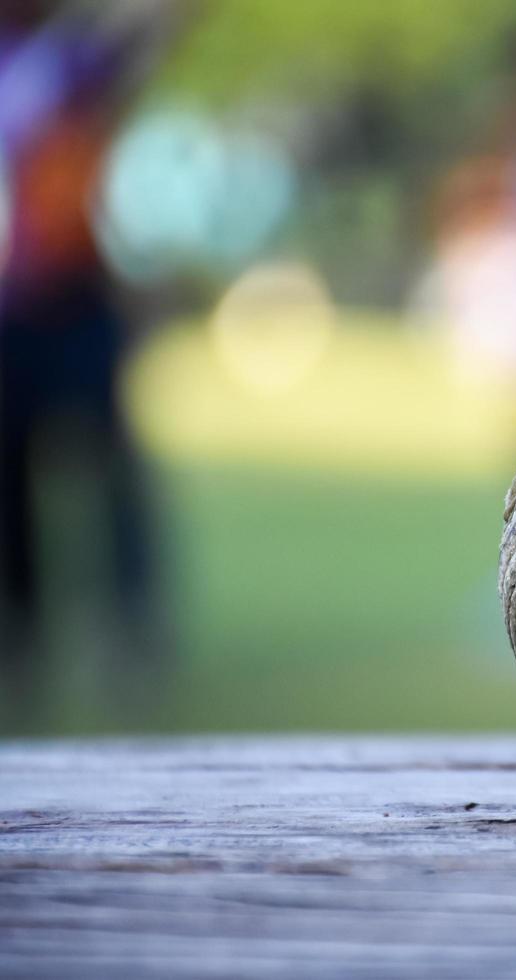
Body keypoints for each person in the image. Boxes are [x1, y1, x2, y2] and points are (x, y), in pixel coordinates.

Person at [0, 2, 169, 723]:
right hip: (14, 306)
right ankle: (24, 630)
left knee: (109, 471)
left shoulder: (63, 60)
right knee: (13, 482)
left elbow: (147, 30)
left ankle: (130, 624)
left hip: (72, 294)